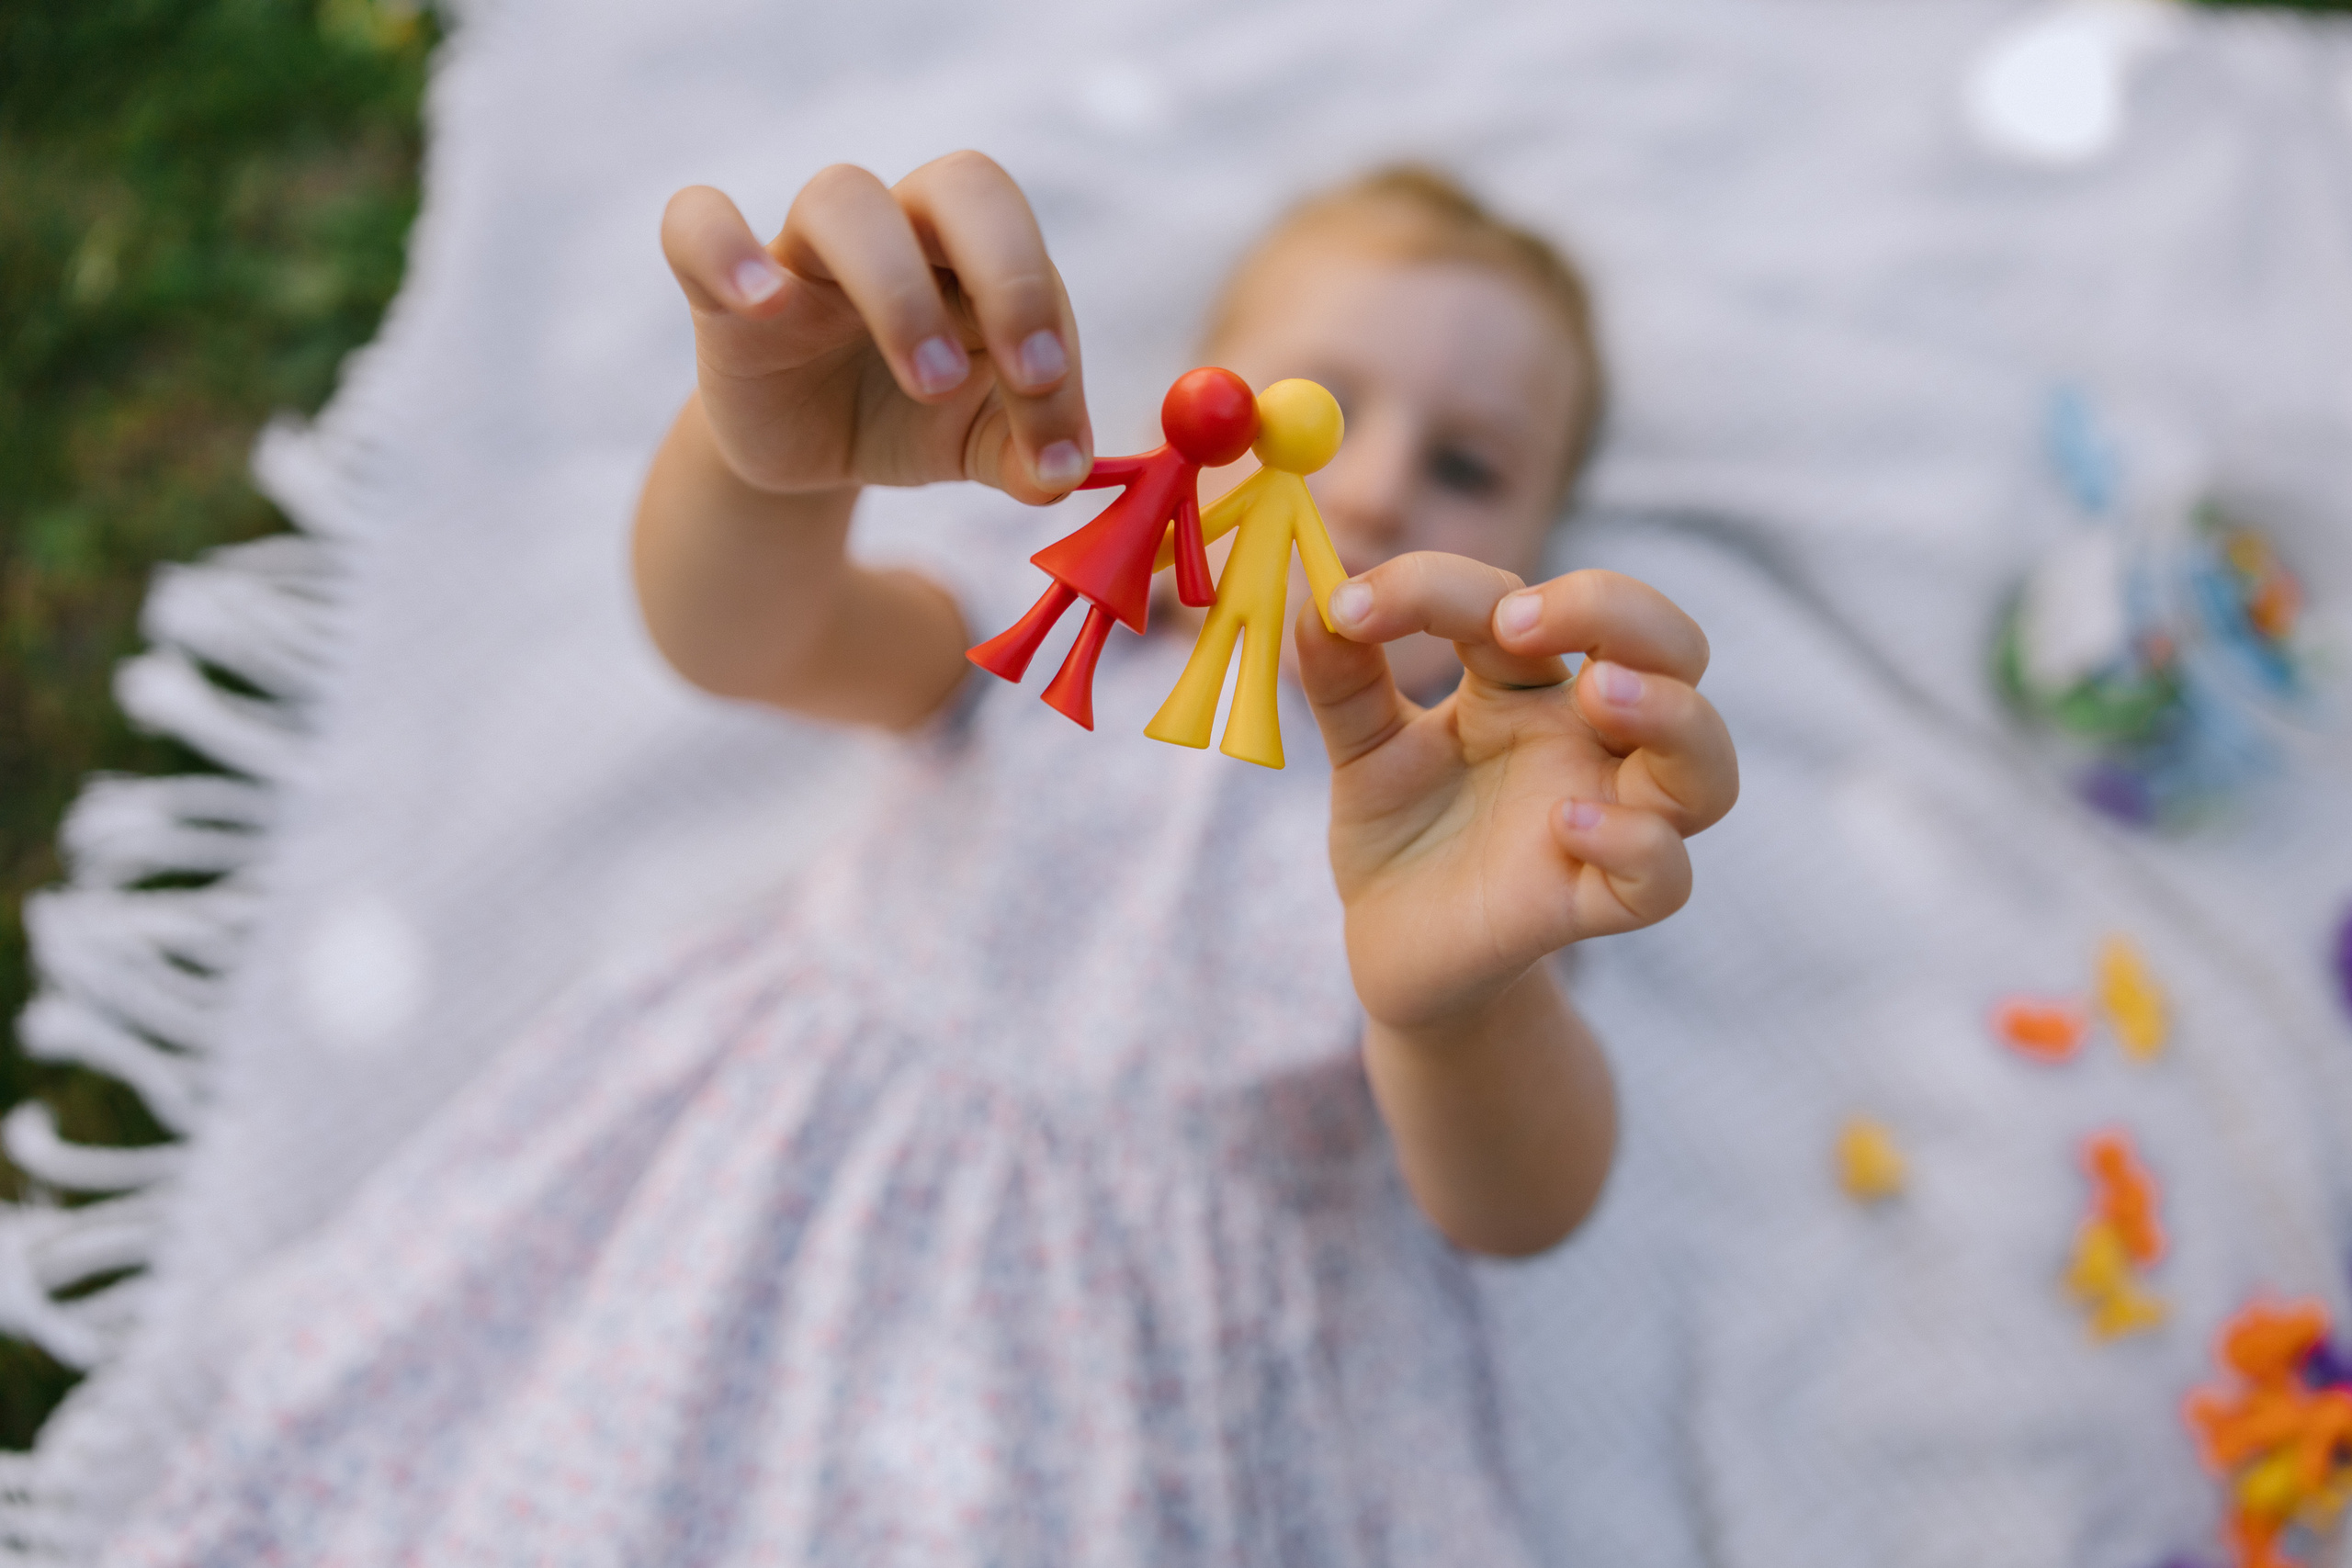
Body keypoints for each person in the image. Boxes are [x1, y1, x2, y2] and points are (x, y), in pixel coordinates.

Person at [110, 154, 1736, 1565]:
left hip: (1168, 1375)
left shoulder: (1477, 826)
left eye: (1469, 468)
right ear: (1189, 418)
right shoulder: (1048, 635)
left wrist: (1449, 1008)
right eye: (1318, 408)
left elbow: (1517, 1205)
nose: (1373, 483)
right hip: (784, 1227)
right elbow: (753, 639)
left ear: (1537, 552)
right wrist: (759, 461)